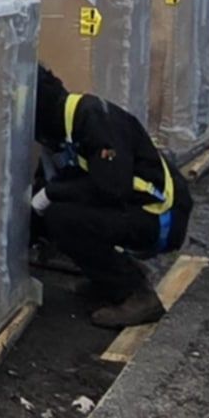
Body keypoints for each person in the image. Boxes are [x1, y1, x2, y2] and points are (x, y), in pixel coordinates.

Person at [32, 62, 191, 332]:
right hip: (134, 208)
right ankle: (109, 278)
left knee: (63, 218)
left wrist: (51, 193)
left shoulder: (93, 119)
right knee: (56, 211)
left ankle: (136, 294)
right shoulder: (64, 128)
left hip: (159, 214)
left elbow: (111, 188)